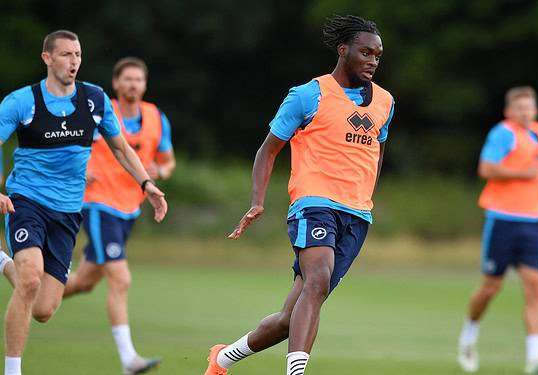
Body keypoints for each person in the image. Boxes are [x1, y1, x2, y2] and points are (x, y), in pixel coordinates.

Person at [202, 15, 394, 375]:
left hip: (356, 214)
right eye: (365, 52)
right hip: (314, 203)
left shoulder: (385, 102)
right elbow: (268, 150)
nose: (372, 60)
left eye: (378, 55)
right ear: (343, 50)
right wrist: (257, 200)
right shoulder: (308, 95)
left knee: (293, 315)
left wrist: (365, 193)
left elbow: (377, 152)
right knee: (318, 280)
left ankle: (222, 358)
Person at [0, 30, 167, 375]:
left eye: (77, 55)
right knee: (30, 279)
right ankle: (13, 370)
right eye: (65, 55)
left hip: (67, 210)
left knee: (44, 308)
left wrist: (147, 183)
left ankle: (2, 263)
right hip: (26, 201)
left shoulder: (94, 100)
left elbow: (121, 146)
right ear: (47, 58)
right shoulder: (21, 102)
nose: (73, 62)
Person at [61, 57, 175, 374]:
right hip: (98, 204)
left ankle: (27, 290)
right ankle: (129, 360)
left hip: (129, 209)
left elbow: (168, 161)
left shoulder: (155, 117)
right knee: (121, 279)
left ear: (145, 84)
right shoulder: (97, 111)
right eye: (127, 79)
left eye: (138, 79)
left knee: (83, 282)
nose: (132, 84)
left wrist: (159, 171)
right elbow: (65, 143)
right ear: (116, 83)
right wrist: (78, 168)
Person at [457, 86, 538, 374]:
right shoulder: (502, 134)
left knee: (535, 287)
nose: (526, 112)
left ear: (536, 110)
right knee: (491, 287)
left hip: (535, 221)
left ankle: (535, 358)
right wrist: (523, 175)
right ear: (509, 112)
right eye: (520, 108)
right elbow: (486, 169)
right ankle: (468, 335)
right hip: (503, 220)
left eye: (530, 107)